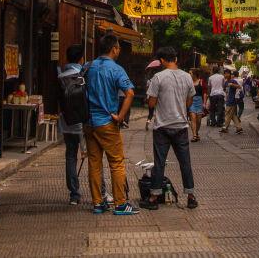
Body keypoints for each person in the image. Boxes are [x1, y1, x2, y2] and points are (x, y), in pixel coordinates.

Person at [83, 33, 139, 215]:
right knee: (116, 162)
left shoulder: (87, 66)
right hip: (107, 122)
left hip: (89, 122)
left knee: (94, 163)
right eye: (119, 48)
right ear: (114, 49)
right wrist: (120, 116)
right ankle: (121, 204)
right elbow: (129, 93)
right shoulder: (116, 69)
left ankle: (98, 203)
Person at [141, 46, 198, 210]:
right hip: (180, 125)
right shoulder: (188, 77)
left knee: (160, 163)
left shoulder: (158, 77)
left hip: (162, 126)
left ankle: (153, 198)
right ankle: (191, 196)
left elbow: (151, 103)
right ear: (176, 59)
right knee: (185, 162)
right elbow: (189, 102)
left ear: (162, 61)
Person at [58, 45, 111, 206]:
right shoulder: (84, 76)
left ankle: (74, 194)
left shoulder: (61, 77)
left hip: (66, 124)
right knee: (94, 158)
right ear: (81, 59)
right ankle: (102, 193)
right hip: (85, 123)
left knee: (70, 157)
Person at [221, 69, 244, 134]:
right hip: (228, 99)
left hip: (232, 100)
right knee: (233, 116)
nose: (226, 75)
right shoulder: (226, 82)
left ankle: (225, 128)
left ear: (230, 75)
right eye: (225, 74)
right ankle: (239, 128)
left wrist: (232, 85)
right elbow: (225, 89)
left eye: (228, 74)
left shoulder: (233, 81)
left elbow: (239, 87)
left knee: (227, 114)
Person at [188, 68, 204, 142]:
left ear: (194, 74)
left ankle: (196, 132)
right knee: (193, 118)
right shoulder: (189, 82)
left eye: (190, 73)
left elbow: (204, 92)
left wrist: (204, 103)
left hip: (200, 101)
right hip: (192, 100)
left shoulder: (201, 81)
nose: (190, 74)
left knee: (199, 120)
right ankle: (194, 135)